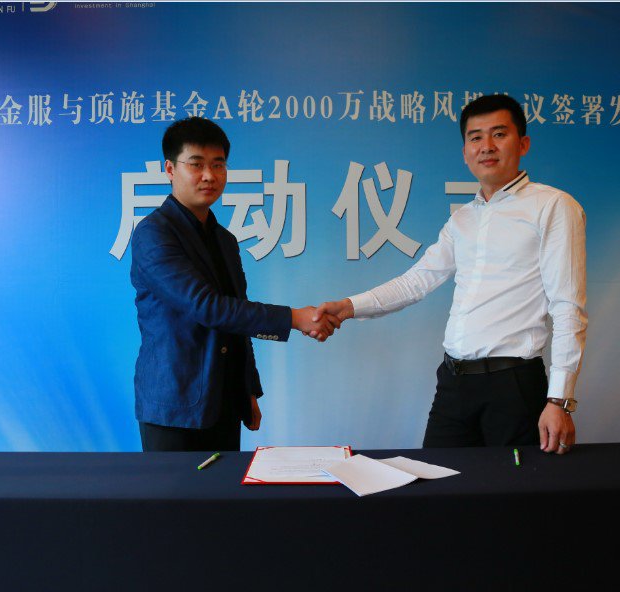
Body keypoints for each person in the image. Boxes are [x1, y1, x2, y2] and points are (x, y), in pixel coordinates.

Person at [312, 94, 586, 454]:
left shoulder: (553, 206)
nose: (486, 146)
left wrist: (559, 400)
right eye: (475, 137)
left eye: (499, 134)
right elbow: (416, 281)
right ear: (465, 152)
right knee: (438, 483)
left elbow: (567, 306)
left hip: (513, 385)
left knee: (512, 488)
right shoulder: (463, 219)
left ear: (523, 144)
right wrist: (349, 307)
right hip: (454, 384)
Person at [131, 117, 337, 452]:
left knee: (224, 487)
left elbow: (236, 316)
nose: (209, 175)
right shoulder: (154, 234)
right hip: (175, 405)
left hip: (224, 402)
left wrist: (249, 390)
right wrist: (294, 318)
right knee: (175, 489)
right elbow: (207, 307)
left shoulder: (224, 240)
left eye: (218, 164)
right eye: (196, 164)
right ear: (170, 169)